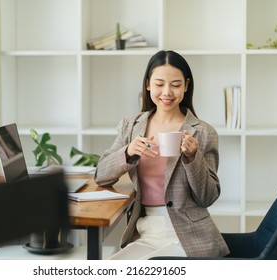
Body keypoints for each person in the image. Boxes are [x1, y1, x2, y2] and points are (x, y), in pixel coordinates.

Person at [94, 50, 229, 259]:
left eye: (175, 85)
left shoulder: (203, 132)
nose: (167, 92)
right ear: (148, 84)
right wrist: (128, 152)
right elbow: (101, 175)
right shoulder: (130, 126)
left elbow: (208, 197)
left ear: (186, 86)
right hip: (145, 231)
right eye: (159, 84)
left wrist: (193, 158)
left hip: (188, 234)